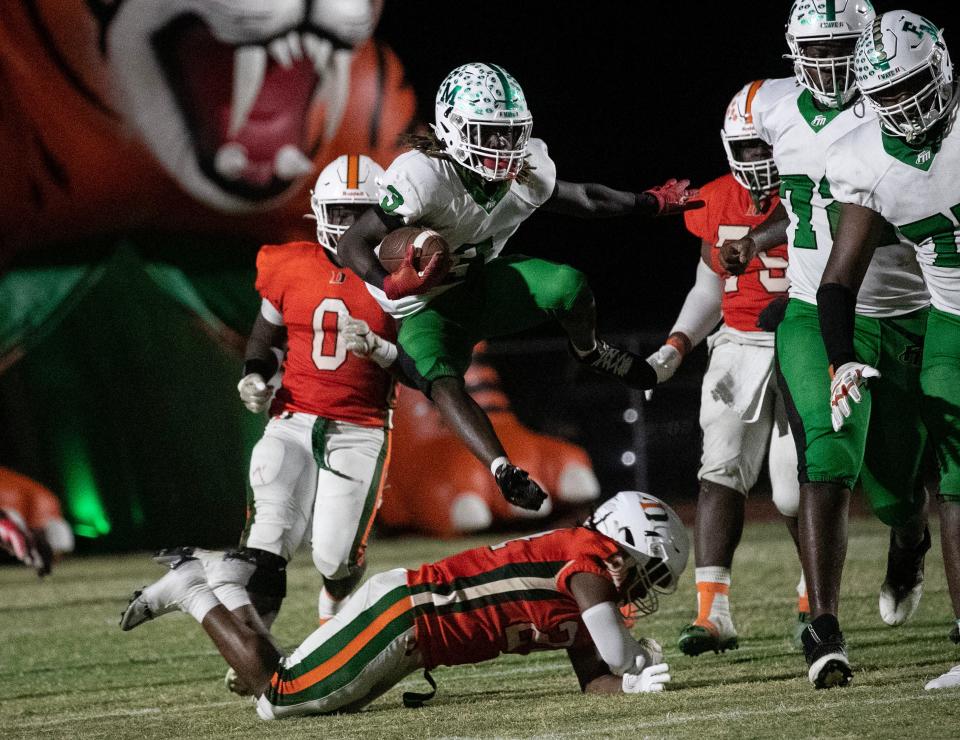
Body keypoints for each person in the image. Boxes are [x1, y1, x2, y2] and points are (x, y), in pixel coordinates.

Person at [336, 62, 700, 514]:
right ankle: (502, 469)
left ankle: (589, 352)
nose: (505, 147)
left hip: (479, 283)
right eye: (491, 134)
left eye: (511, 133)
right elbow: (353, 242)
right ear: (454, 127)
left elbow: (584, 198)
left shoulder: (525, 171)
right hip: (423, 307)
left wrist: (648, 203)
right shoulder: (423, 177)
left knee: (568, 285)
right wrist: (387, 282)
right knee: (440, 380)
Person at [719, 1, 931, 689]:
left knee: (897, 484)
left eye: (846, 46)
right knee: (826, 448)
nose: (833, 61)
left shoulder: (893, 105)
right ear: (793, 50)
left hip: (904, 310)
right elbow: (800, 210)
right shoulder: (771, 108)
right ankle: (824, 625)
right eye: (820, 46)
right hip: (816, 309)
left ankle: (909, 535)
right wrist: (757, 239)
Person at [120, 491, 689, 718]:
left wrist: (630, 685)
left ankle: (226, 584)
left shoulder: (589, 582)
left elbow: (596, 678)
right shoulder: (585, 559)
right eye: (650, 571)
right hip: (408, 613)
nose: (645, 588)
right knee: (277, 698)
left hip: (414, 635)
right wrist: (634, 663)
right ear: (623, 545)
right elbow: (616, 653)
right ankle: (193, 588)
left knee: (300, 700)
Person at [814, 10, 960, 691]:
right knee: (953, 483)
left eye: (913, 87)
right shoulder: (864, 159)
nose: (904, 107)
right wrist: (841, 357)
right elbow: (838, 280)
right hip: (952, 321)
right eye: (888, 94)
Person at [646, 79, 805, 656]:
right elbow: (708, 287)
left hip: (803, 341)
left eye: (767, 146)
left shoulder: (813, 187)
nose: (759, 160)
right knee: (719, 472)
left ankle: (815, 599)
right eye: (749, 148)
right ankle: (714, 614)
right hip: (738, 345)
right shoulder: (715, 199)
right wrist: (677, 344)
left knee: (793, 488)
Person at [218, 154, 397, 655]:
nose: (347, 226)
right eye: (339, 212)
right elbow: (265, 337)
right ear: (317, 211)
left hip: (360, 426)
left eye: (361, 214)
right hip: (292, 420)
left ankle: (335, 596)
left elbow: (420, 367)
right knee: (267, 538)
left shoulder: (401, 279)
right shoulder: (288, 263)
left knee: (335, 558)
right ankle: (257, 652)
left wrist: (381, 350)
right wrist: (254, 375)